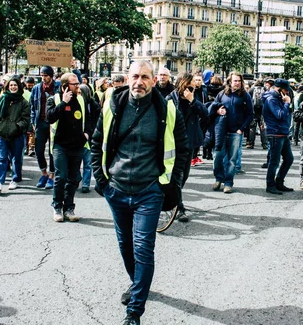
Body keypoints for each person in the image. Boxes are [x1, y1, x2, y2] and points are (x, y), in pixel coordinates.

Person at [91, 61, 188, 325]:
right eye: (135, 76)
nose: (139, 82)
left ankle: (134, 311)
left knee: (143, 248)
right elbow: (96, 142)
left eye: (145, 77)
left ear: (154, 81)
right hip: (117, 189)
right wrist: (102, 181)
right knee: (125, 246)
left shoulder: (167, 109)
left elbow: (183, 149)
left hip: (149, 191)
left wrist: (171, 184)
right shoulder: (113, 105)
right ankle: (138, 285)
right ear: (127, 78)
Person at [46, 73, 93, 222]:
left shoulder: (81, 99)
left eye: (78, 84)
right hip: (60, 145)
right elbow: (50, 117)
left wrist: (87, 133)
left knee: (74, 178)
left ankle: (69, 208)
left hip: (77, 145)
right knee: (61, 177)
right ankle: (57, 207)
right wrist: (63, 103)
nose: (78, 86)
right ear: (65, 86)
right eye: (75, 84)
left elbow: (89, 118)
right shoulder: (54, 99)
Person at [167, 73, 208, 221]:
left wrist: (192, 101)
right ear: (183, 84)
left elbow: (205, 114)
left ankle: (174, 200)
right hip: (174, 143)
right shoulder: (171, 99)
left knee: (183, 176)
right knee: (176, 177)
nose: (193, 88)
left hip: (189, 143)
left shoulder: (193, 98)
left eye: (194, 86)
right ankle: (179, 207)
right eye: (190, 85)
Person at [208, 71, 253, 194]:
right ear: (230, 81)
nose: (237, 83)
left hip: (236, 132)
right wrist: (217, 112)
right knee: (217, 156)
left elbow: (250, 114)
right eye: (235, 81)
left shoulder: (245, 95)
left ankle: (228, 182)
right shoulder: (222, 94)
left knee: (232, 159)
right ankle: (218, 178)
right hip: (221, 131)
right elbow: (213, 108)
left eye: (239, 81)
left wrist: (241, 129)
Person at [0, 76, 30, 193]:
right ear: (7, 86)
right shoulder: (1, 99)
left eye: (15, 85)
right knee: (2, 158)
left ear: (19, 87)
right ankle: (0, 182)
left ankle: (14, 179)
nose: (13, 87)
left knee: (16, 159)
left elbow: (26, 119)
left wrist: (17, 127)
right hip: (2, 134)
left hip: (17, 135)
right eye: (11, 85)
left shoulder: (23, 102)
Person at [262, 78, 294, 195]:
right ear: (279, 89)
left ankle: (279, 181)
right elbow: (280, 115)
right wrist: (286, 103)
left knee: (289, 159)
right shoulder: (271, 99)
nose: (287, 93)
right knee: (274, 161)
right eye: (285, 90)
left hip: (282, 132)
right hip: (275, 132)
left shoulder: (279, 97)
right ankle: (270, 185)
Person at [30, 66, 60, 189]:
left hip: (54, 122)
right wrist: (33, 122)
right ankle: (44, 174)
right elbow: (32, 105)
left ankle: (51, 176)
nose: (43, 78)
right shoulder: (37, 88)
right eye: (42, 75)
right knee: (38, 150)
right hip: (41, 122)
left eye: (46, 75)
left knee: (52, 151)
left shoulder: (58, 87)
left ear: (51, 76)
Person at [79, 84, 100, 193]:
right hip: (78, 136)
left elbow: (97, 121)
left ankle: (86, 184)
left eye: (80, 92)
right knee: (76, 162)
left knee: (87, 162)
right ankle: (76, 179)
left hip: (90, 136)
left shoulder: (94, 105)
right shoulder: (75, 103)